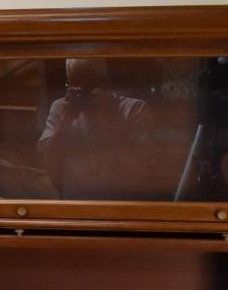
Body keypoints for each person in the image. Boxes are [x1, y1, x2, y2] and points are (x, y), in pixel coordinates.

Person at [37, 58, 155, 199]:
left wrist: (106, 119)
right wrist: (66, 120)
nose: (82, 95)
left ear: (104, 83)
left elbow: (140, 169)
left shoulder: (135, 109)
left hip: (121, 203)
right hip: (76, 202)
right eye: (75, 87)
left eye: (88, 87)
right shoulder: (61, 108)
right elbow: (48, 162)